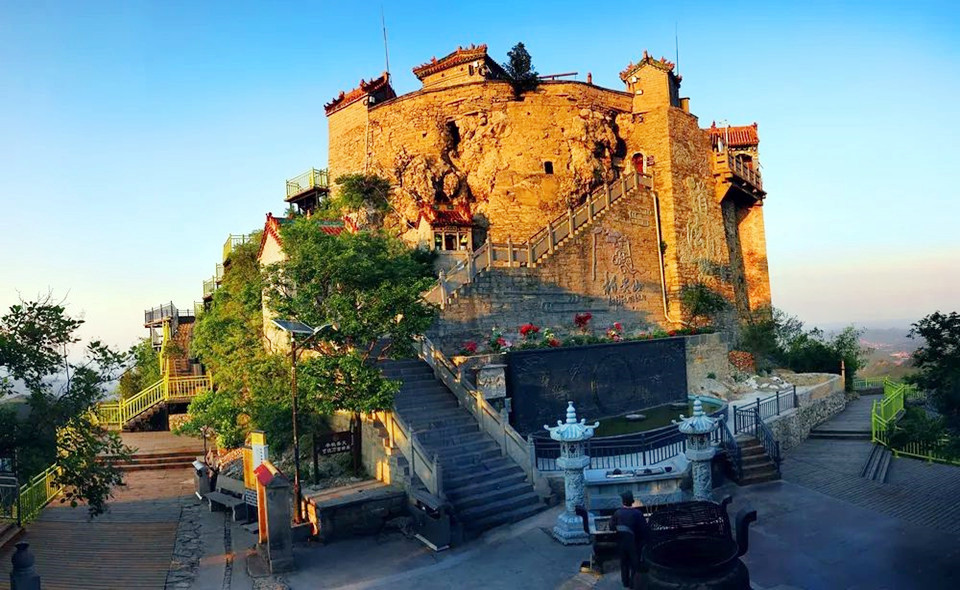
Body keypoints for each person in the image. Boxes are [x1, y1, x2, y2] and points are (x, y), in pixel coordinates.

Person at [609, 491, 649, 588]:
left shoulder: (617, 513)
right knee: (635, 564)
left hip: (622, 543)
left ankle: (625, 582)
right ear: (632, 502)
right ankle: (633, 583)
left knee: (624, 564)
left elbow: (611, 527)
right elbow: (644, 530)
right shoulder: (638, 514)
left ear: (623, 502)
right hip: (635, 543)